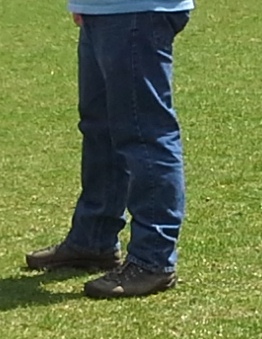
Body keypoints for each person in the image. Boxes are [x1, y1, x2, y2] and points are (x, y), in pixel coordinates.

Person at [25, 0, 193, 299]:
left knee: (143, 132)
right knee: (100, 129)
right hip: (106, 9)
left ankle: (153, 259)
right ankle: (93, 239)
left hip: (136, 10)